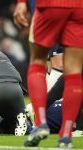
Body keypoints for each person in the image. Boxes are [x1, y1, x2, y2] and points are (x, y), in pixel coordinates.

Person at [14, 0, 83, 148]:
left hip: (50, 5)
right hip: (79, 7)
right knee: (74, 72)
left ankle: (40, 123)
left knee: (37, 62)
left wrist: (21, 3)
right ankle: (66, 135)